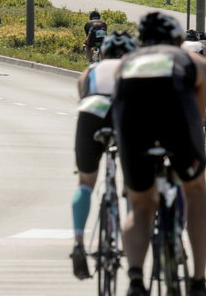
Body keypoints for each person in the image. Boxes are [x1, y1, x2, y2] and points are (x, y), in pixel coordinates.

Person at [112, 12, 206, 296]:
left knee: (140, 205)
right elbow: (198, 116)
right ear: (179, 39)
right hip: (177, 122)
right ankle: (198, 280)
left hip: (133, 128)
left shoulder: (125, 64)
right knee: (196, 191)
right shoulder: (195, 62)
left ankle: (135, 280)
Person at [70, 31, 138, 280]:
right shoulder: (136, 68)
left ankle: (78, 242)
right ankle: (133, 239)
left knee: (86, 181)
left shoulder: (91, 71)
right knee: (135, 185)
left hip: (93, 111)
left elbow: (83, 96)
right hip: (126, 112)